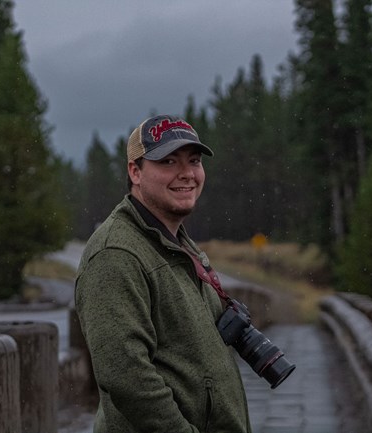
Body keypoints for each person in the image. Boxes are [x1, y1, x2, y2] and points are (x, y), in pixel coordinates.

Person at [75, 114, 252, 433]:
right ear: (135, 172)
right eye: (168, 161)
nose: (186, 174)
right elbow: (127, 376)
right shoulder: (115, 254)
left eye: (194, 161)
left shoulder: (177, 242)